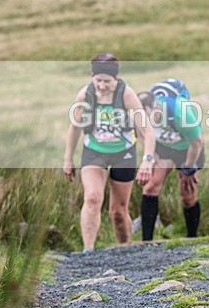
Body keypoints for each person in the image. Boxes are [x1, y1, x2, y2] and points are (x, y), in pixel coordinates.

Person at [63, 53, 156, 252]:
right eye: (98, 81)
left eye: (107, 81)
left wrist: (148, 160)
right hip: (94, 152)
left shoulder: (126, 94)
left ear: (116, 78)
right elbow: (75, 128)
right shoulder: (85, 95)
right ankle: (88, 251)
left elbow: (147, 130)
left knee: (118, 211)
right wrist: (67, 159)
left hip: (124, 152)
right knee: (92, 197)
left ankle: (125, 250)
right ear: (91, 76)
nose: (102, 86)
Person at [137, 78, 205, 240]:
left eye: (154, 117)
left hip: (188, 148)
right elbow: (141, 133)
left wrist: (188, 168)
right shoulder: (138, 113)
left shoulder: (180, 112)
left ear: (159, 107)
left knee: (187, 193)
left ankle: (192, 238)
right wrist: (153, 155)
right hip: (163, 146)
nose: (150, 121)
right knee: (151, 187)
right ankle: (147, 241)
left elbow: (197, 143)